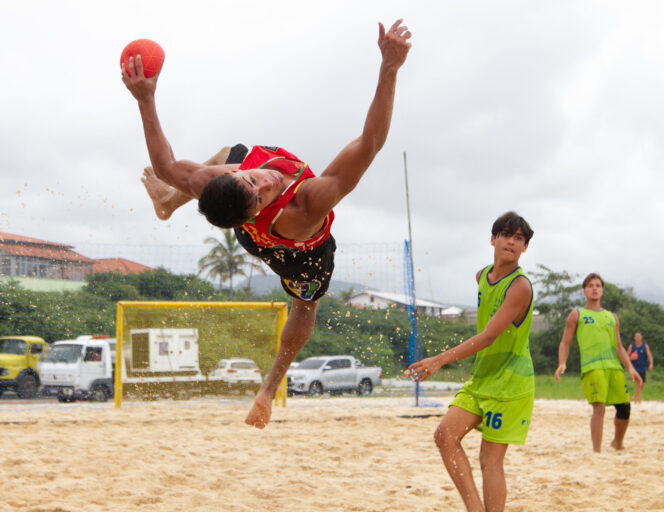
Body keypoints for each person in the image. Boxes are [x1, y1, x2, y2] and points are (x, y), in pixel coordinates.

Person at [121, 20, 412, 429]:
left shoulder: (223, 178)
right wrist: (389, 68)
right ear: (252, 211)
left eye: (252, 179)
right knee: (305, 305)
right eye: (258, 193)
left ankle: (167, 205)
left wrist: (146, 98)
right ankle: (268, 389)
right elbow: (370, 144)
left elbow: (167, 166)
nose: (267, 182)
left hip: (242, 217)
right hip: (300, 255)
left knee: (229, 151)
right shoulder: (307, 205)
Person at [406, 212, 535, 512]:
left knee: (490, 458)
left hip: (511, 381)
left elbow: (489, 336)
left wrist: (439, 360)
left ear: (525, 247)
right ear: (493, 239)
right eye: (506, 235)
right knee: (444, 436)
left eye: (519, 238)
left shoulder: (520, 286)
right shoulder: (482, 276)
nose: (511, 242)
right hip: (483, 377)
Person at [554, 273, 643, 452]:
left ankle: (617, 442)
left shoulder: (612, 317)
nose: (594, 288)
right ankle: (597, 451)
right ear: (584, 291)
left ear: (602, 290)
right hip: (592, 367)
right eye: (590, 286)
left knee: (624, 407)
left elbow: (618, 346)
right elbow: (565, 342)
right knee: (599, 407)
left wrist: (631, 368)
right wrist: (562, 362)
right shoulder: (577, 315)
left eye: (597, 285)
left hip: (614, 367)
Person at [627, 331, 653, 404]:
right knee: (638, 382)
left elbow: (649, 355)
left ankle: (635, 396)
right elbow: (626, 356)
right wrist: (631, 358)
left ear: (641, 338)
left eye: (639, 336)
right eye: (636, 336)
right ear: (634, 338)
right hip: (635, 368)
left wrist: (651, 364)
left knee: (642, 383)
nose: (638, 338)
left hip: (643, 367)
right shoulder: (632, 346)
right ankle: (638, 400)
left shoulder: (645, 346)